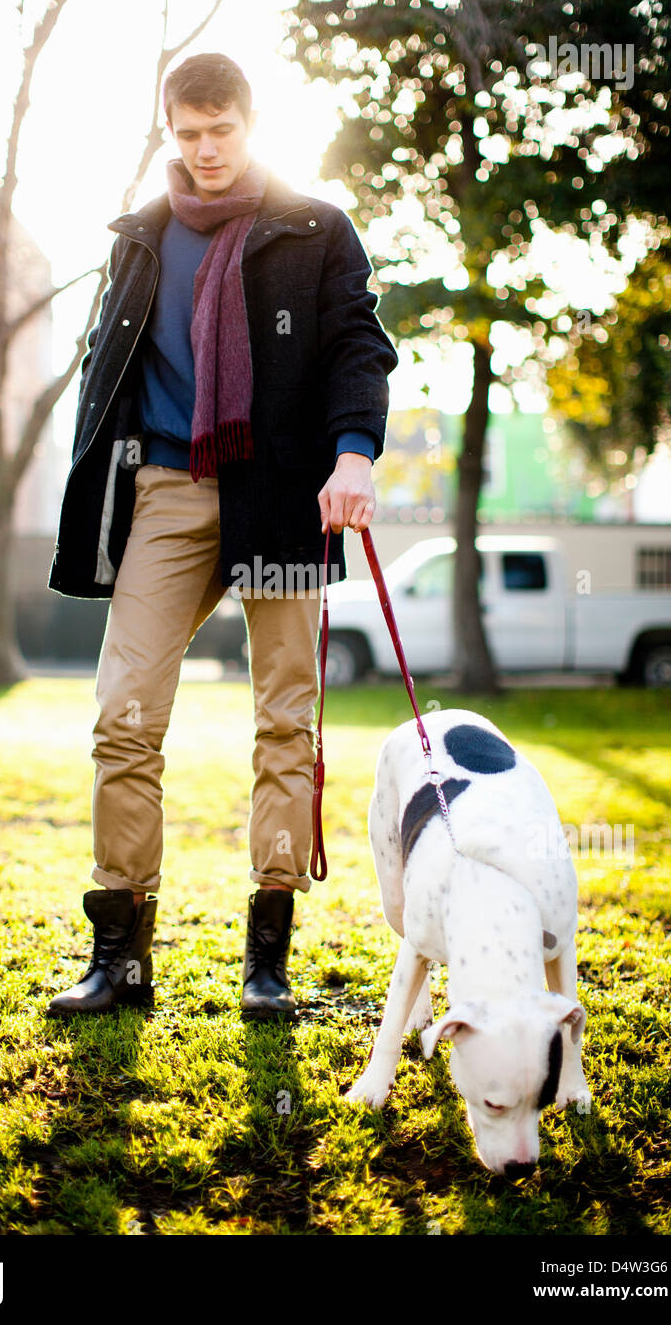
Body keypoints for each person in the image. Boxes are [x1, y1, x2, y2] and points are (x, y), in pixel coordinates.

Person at [46, 52, 398, 1019]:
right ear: (170, 130)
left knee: (286, 719)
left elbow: (358, 343)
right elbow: (101, 363)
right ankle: (121, 954)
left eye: (222, 131)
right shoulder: (142, 238)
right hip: (166, 488)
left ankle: (267, 961)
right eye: (187, 133)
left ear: (252, 121)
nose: (204, 151)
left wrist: (355, 454)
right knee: (123, 715)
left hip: (280, 493)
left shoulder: (313, 228)